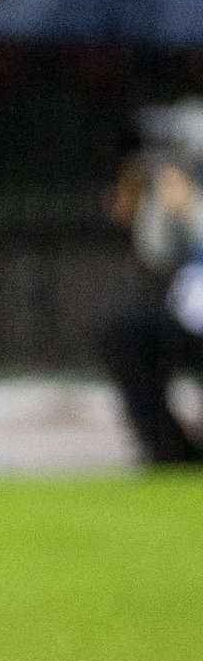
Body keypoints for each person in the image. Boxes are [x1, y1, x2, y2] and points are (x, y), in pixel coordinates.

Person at [99, 146, 203, 464]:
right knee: (126, 334)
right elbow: (157, 254)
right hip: (191, 315)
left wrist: (192, 209)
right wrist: (157, 205)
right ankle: (168, 448)